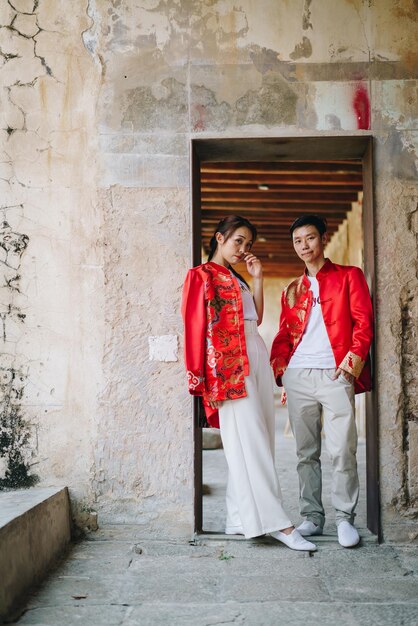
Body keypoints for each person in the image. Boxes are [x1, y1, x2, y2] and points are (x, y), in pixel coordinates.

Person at [181, 215, 316, 551]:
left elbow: (255, 313)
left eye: (248, 244)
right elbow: (193, 326)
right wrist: (198, 378)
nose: (243, 249)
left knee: (259, 441)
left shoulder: (236, 278)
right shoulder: (200, 276)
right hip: (228, 366)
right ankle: (280, 525)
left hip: (254, 352)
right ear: (219, 239)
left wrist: (257, 279)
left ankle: (239, 519)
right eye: (238, 241)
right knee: (251, 441)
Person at [270, 214, 373, 548]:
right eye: (298, 241)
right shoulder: (292, 289)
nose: (304, 246)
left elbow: (363, 324)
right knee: (305, 453)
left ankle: (345, 519)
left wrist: (350, 366)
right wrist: (283, 371)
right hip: (299, 375)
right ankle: (312, 517)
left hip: (335, 373)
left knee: (342, 449)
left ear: (323, 238)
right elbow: (284, 334)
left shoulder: (348, 277)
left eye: (310, 238)